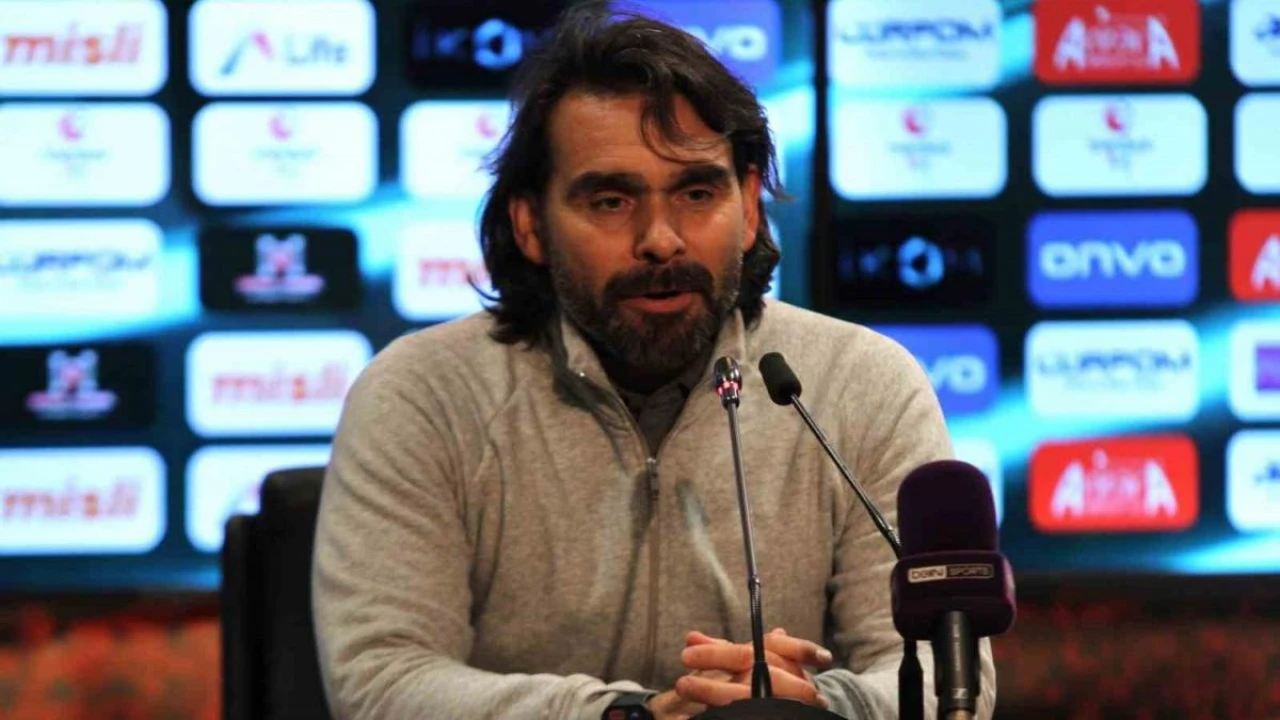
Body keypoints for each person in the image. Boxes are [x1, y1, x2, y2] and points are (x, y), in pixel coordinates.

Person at [311, 3, 997, 719]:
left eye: (697, 193)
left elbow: (951, 677)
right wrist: (628, 715)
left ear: (749, 207)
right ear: (530, 224)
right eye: (611, 201)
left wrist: (801, 708)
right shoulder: (423, 394)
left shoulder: (861, 385)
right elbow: (382, 681)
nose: (661, 239)